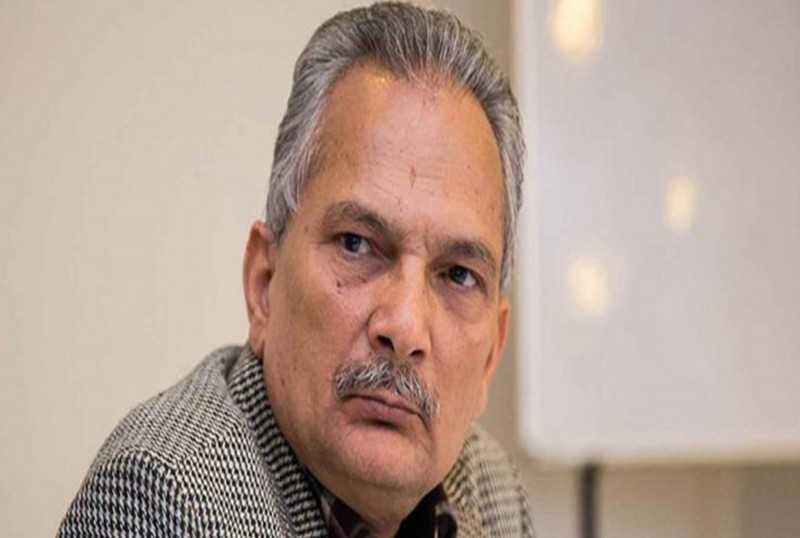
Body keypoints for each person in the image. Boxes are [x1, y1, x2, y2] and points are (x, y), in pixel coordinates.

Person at [59, 2, 531, 536]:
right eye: (356, 244)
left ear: (492, 353)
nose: (404, 327)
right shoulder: (164, 500)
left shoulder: (492, 489)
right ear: (263, 283)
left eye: (458, 275)